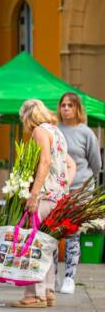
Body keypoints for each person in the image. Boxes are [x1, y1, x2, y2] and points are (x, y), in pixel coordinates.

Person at [11, 99, 76, 308]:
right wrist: (62, 185)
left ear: (29, 116)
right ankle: (48, 292)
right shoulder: (57, 132)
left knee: (34, 244)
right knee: (46, 245)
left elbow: (46, 161)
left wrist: (34, 193)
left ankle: (34, 295)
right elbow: (70, 164)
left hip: (44, 197)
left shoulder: (39, 131)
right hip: (57, 197)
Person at [56, 92, 102, 294]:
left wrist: (85, 186)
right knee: (54, 234)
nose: (65, 108)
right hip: (58, 190)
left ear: (77, 109)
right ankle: (53, 276)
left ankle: (69, 277)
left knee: (73, 234)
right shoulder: (55, 130)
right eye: (63, 105)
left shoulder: (86, 133)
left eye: (70, 105)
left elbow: (96, 164)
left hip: (79, 191)